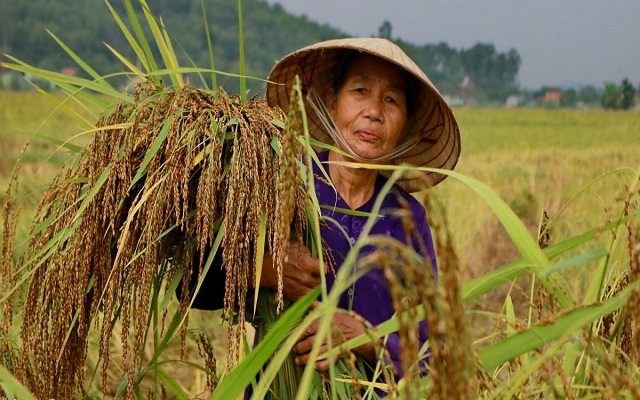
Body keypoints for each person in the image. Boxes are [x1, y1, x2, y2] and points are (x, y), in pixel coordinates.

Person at [183, 37, 460, 391]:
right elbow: (194, 282)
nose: (374, 111)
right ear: (332, 103)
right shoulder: (283, 184)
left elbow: (436, 351)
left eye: (391, 99)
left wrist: (367, 338)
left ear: (404, 125)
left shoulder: (408, 220)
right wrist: (268, 270)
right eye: (360, 90)